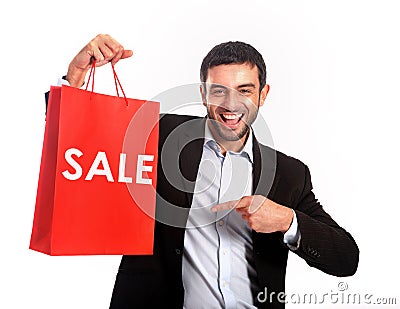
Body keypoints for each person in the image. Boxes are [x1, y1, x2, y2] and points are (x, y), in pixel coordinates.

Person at [54, 34, 359, 309]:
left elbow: (346, 258)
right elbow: (82, 142)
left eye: (245, 90)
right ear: (202, 94)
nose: (231, 104)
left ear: (263, 95)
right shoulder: (157, 136)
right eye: (218, 92)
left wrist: (286, 220)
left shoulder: (289, 173)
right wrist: (76, 79)